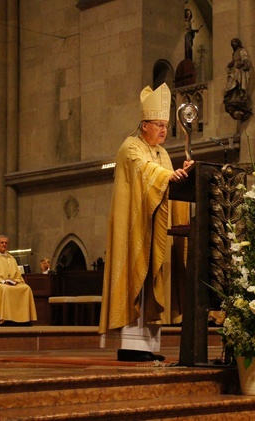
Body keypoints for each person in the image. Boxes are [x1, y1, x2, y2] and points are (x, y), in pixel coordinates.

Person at [99, 83, 194, 362]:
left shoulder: (162, 153)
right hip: (135, 229)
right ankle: (131, 347)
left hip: (156, 228)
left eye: (166, 125)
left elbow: (165, 180)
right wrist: (168, 176)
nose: (164, 131)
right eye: (159, 125)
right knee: (136, 280)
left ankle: (150, 348)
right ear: (144, 125)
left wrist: (184, 175)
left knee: (155, 284)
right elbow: (145, 171)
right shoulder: (130, 147)